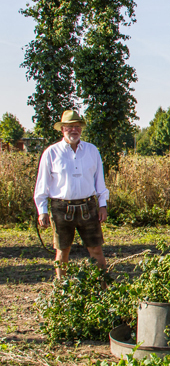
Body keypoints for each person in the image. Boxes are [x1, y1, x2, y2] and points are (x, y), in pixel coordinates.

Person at [34, 110, 108, 279]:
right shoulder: (51, 153)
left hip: (88, 206)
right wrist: (42, 211)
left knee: (96, 249)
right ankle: (62, 291)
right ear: (62, 129)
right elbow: (42, 184)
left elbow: (99, 181)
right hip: (61, 208)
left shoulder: (92, 150)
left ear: (81, 129)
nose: (74, 130)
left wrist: (102, 204)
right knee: (62, 251)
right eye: (69, 127)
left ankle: (104, 288)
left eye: (77, 126)